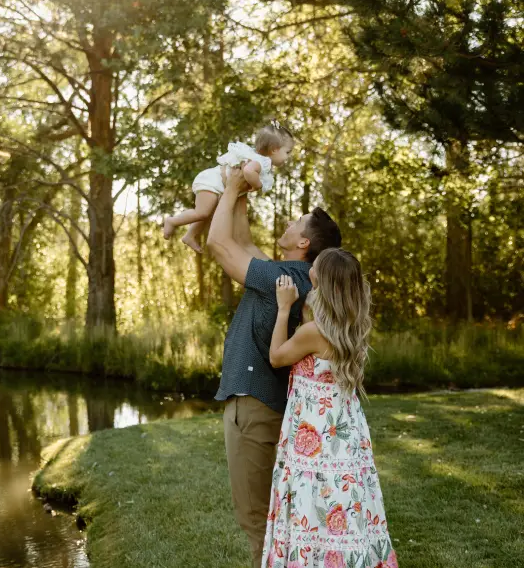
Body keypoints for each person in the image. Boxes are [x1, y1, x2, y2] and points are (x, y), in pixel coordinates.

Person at [206, 167, 342, 568]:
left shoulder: (289, 276)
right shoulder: (291, 275)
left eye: (296, 222)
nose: (288, 221)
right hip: (261, 404)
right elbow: (242, 241)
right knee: (263, 515)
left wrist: (229, 188)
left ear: (304, 242)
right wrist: (242, 194)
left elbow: (218, 243)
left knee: (255, 517)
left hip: (254, 406)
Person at [263, 249, 398, 568]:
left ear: (325, 281)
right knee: (343, 501)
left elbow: (277, 357)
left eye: (316, 267)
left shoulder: (314, 331)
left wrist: (284, 309)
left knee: (313, 499)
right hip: (344, 429)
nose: (310, 269)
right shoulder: (352, 324)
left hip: (317, 431)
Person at [163, 121, 294, 253]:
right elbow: (248, 171)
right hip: (211, 182)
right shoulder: (261, 162)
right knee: (202, 212)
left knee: (207, 211)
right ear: (274, 149)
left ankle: (190, 235)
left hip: (216, 184)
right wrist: (257, 184)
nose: (288, 157)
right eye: (288, 152)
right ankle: (172, 221)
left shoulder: (255, 157)